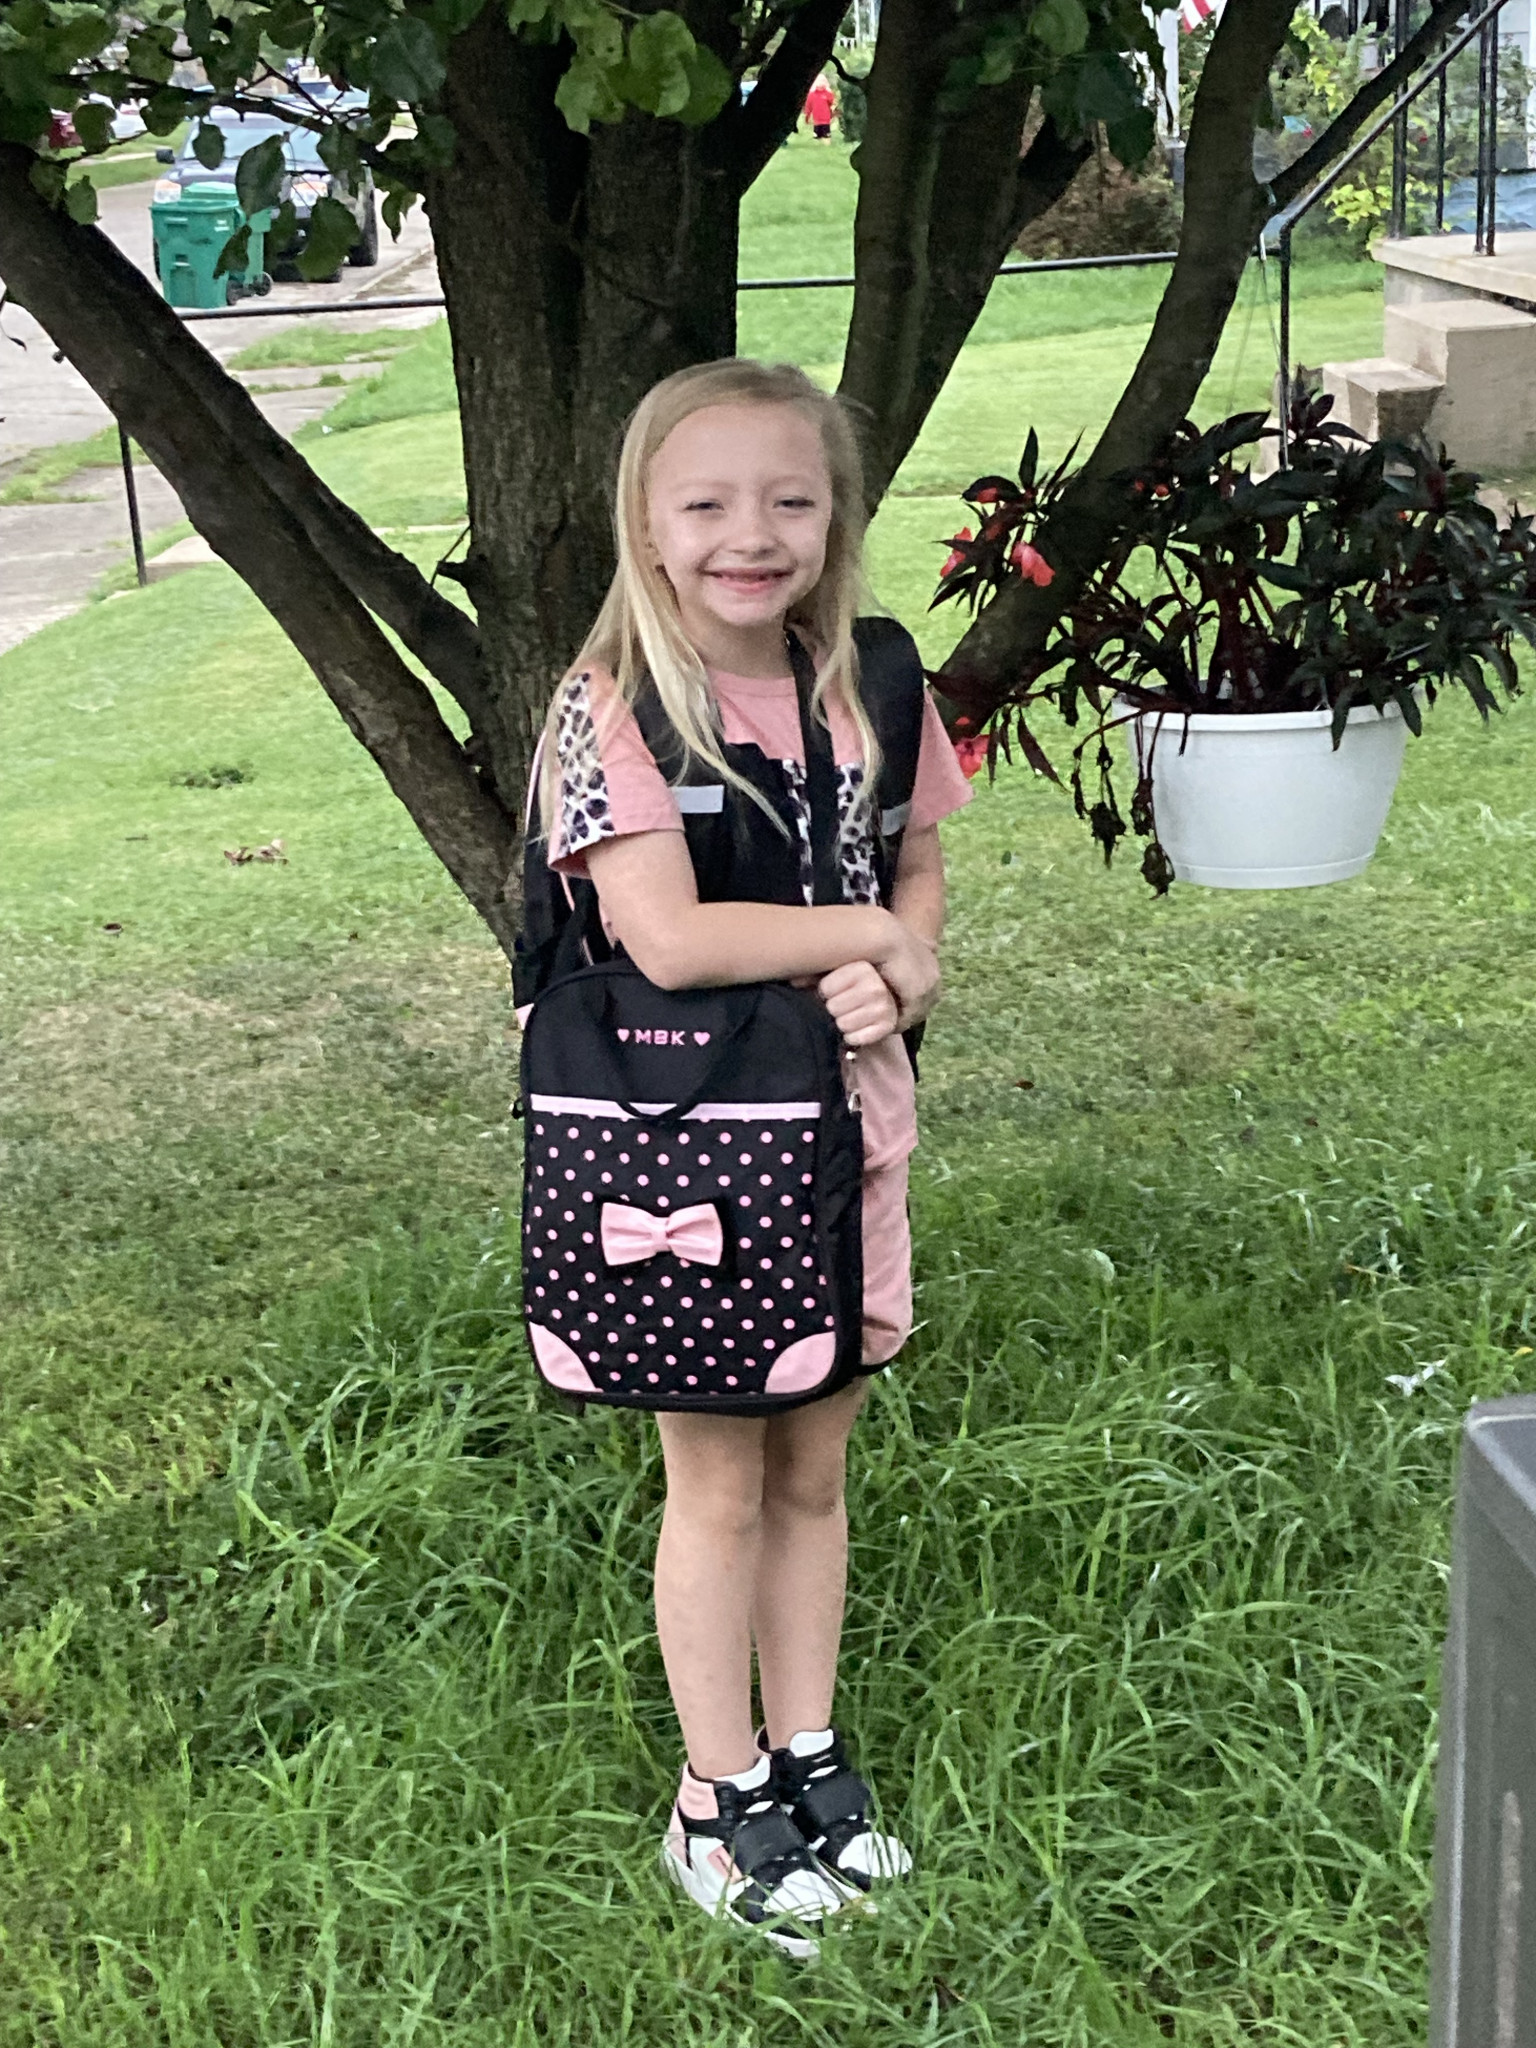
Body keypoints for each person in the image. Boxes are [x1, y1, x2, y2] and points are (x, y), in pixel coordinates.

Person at [532, 358, 972, 1955]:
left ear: (835, 515)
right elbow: (666, 933)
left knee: (815, 1465)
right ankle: (713, 1799)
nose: (752, 534)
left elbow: (915, 865)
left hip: (850, 1129)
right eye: (707, 502)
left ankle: (807, 1753)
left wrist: (903, 968)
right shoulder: (611, 706)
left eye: (792, 499)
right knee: (717, 1481)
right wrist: (861, 939)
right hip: (690, 1158)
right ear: (645, 526)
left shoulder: (876, 680)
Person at [803, 74, 837, 143]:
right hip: (816, 120)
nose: (820, 84)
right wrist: (807, 117)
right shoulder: (811, 94)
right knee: (817, 139)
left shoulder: (828, 93)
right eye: (819, 82)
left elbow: (833, 103)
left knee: (826, 138)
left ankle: (826, 146)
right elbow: (808, 107)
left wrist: (833, 111)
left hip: (826, 120)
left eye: (822, 82)